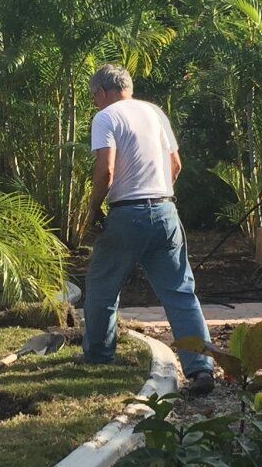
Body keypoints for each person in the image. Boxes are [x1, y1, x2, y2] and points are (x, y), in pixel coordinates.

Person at [80, 63, 215, 394]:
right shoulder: (155, 113)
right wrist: (160, 196)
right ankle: (200, 368)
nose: (95, 102)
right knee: (180, 293)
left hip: (127, 214)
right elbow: (177, 164)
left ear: (101, 92)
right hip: (166, 211)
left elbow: (105, 172)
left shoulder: (106, 117)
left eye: (94, 96)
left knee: (102, 287)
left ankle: (99, 357)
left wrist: (93, 209)